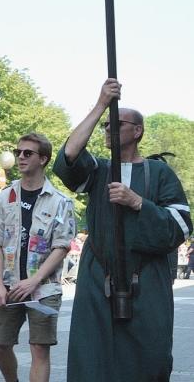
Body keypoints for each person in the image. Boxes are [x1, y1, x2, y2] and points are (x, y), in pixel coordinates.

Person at [52, 79, 191, 382]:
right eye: (105, 125)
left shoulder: (159, 173)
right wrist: (101, 103)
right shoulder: (99, 170)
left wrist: (138, 202)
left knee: (148, 359)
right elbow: (68, 158)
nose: (107, 129)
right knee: (92, 359)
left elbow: (180, 226)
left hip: (147, 281)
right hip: (97, 277)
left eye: (116, 123)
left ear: (137, 131)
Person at [0, 132, 76, 382]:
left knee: (39, 348)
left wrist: (35, 280)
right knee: (1, 344)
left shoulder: (60, 202)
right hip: (8, 286)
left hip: (44, 289)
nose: (21, 157)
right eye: (18, 152)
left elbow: (61, 247)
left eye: (28, 153)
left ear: (44, 159)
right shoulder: (5, 197)